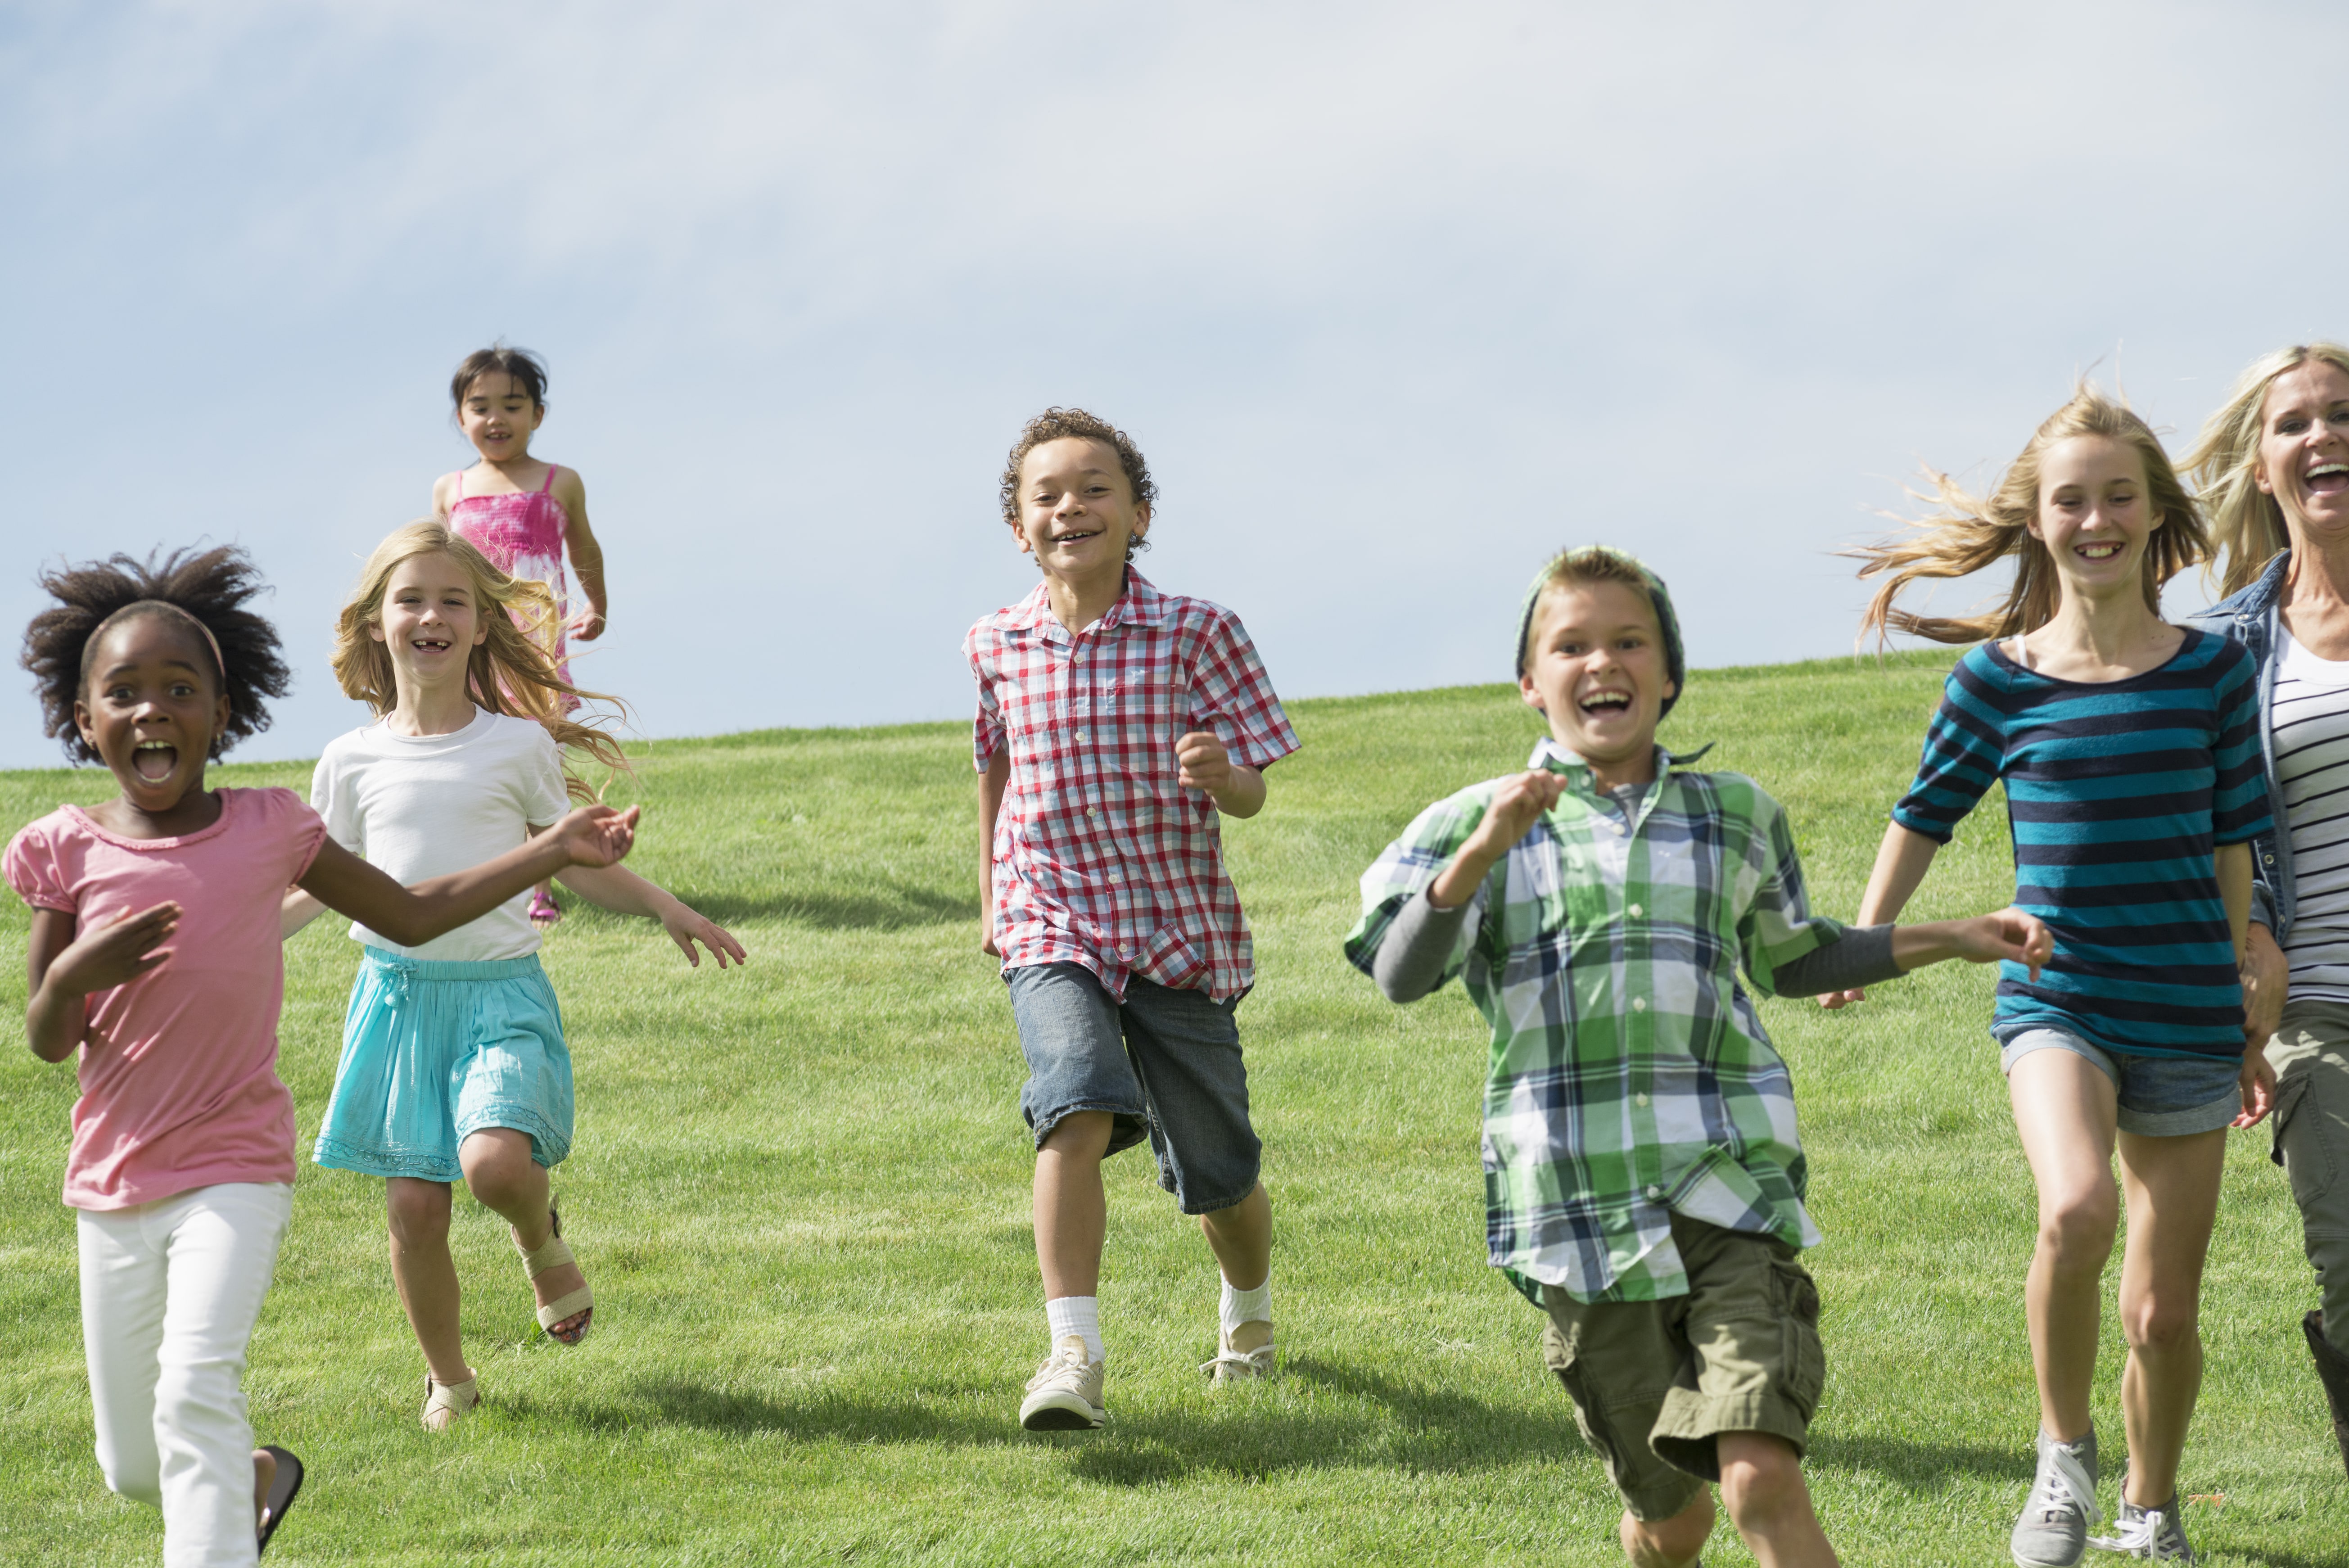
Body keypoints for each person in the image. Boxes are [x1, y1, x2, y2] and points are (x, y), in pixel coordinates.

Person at [1345, 546, 2046, 1568]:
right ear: (1528, 683)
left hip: (1729, 1184)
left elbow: (1795, 958)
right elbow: (1400, 973)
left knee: (1761, 1475)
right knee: (1671, 1520)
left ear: (1667, 673)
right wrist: (1478, 855)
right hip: (1577, 1213)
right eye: (1570, 645)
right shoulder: (1473, 821)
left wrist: (1954, 932)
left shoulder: (1734, 814)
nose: (1601, 663)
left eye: (1628, 641)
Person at [8, 546, 639, 1564]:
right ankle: (256, 1474)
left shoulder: (270, 826)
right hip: (112, 1173)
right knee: (135, 1463)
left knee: (194, 1384)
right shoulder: (62, 848)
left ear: (223, 712)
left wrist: (550, 849)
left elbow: (408, 909)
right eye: (122, 692)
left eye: (180, 690)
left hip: (235, 1163)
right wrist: (76, 970)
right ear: (85, 720)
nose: (151, 711)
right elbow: (45, 1037)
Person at [1840, 387, 2274, 1565]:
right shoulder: (1999, 680)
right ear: (2036, 519)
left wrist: (2244, 1006)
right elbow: (1922, 814)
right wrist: (1869, 944)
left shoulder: (2211, 673)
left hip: (2186, 1005)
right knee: (2074, 1205)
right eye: (2070, 499)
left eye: (2117, 496)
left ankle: (2151, 1506)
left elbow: (2235, 844)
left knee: (2161, 1311)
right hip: (2058, 995)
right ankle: (2059, 1466)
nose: (2095, 518)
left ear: (2153, 514)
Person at [281, 521, 744, 1430]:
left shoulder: (515, 746)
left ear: (482, 624)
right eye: (409, 598)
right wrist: (235, 944)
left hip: (498, 993)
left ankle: (539, 1235)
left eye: (453, 599)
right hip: (396, 1003)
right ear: (375, 622)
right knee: (415, 1207)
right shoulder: (348, 759)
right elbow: (320, 887)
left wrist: (663, 903)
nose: (432, 615)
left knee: (493, 1166)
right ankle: (449, 1378)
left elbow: (569, 859)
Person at [966, 407, 1301, 1431]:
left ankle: (1245, 1314)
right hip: (1051, 918)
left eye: (1096, 487)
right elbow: (995, 764)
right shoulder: (995, 642)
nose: (1072, 505)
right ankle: (1072, 1352)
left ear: (1139, 510)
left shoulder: (1198, 631)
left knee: (1219, 1171)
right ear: (1020, 530)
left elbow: (1252, 786)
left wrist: (1224, 776)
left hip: (1172, 929)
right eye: (1046, 494)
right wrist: (992, 890)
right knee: (1071, 1101)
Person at [2179, 341, 2349, 1478]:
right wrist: (2242, 968)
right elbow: (2209, 836)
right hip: (2315, 1008)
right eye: (2293, 423)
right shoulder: (2230, 649)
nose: (2322, 437)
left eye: (2342, 413)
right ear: (2258, 463)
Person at [431, 343, 610, 929]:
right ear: (461, 418)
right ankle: (475, 876)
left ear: (538, 414)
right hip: (472, 643)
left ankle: (541, 886)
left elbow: (583, 547)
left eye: (512, 405)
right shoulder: (450, 491)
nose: (495, 419)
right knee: (468, 753)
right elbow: (431, 563)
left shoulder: (561, 483)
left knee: (537, 760)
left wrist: (597, 605)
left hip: (534, 644)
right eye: (479, 407)